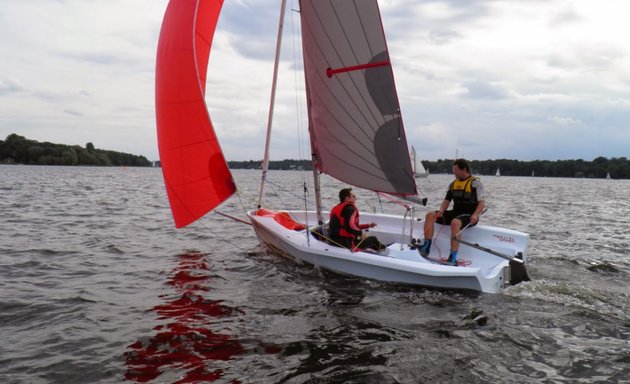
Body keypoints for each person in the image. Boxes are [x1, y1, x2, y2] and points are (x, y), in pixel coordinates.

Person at [418, 159, 486, 265]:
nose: (454, 172)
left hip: (470, 216)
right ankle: (426, 247)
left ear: (464, 169)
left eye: (456, 170)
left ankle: (452, 257)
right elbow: (446, 200)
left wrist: (476, 214)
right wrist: (441, 210)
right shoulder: (453, 184)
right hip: (456, 213)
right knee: (430, 215)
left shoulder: (476, 183)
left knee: (455, 222)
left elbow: (481, 202)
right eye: (453, 169)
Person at [329, 188, 387, 252]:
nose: (355, 198)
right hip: (347, 244)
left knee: (367, 241)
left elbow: (348, 226)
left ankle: (376, 248)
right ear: (347, 198)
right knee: (373, 239)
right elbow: (349, 227)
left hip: (334, 241)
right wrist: (360, 233)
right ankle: (384, 249)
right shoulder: (350, 209)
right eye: (353, 196)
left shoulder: (336, 208)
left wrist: (368, 225)